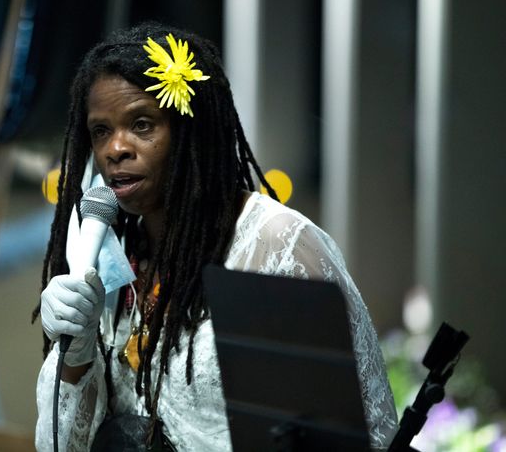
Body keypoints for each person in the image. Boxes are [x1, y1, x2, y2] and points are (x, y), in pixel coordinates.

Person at [34, 22, 398, 450]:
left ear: (191, 131)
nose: (116, 148)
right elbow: (62, 446)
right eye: (101, 132)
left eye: (143, 124)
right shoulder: (106, 257)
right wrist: (75, 358)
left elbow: (361, 438)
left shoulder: (278, 247)